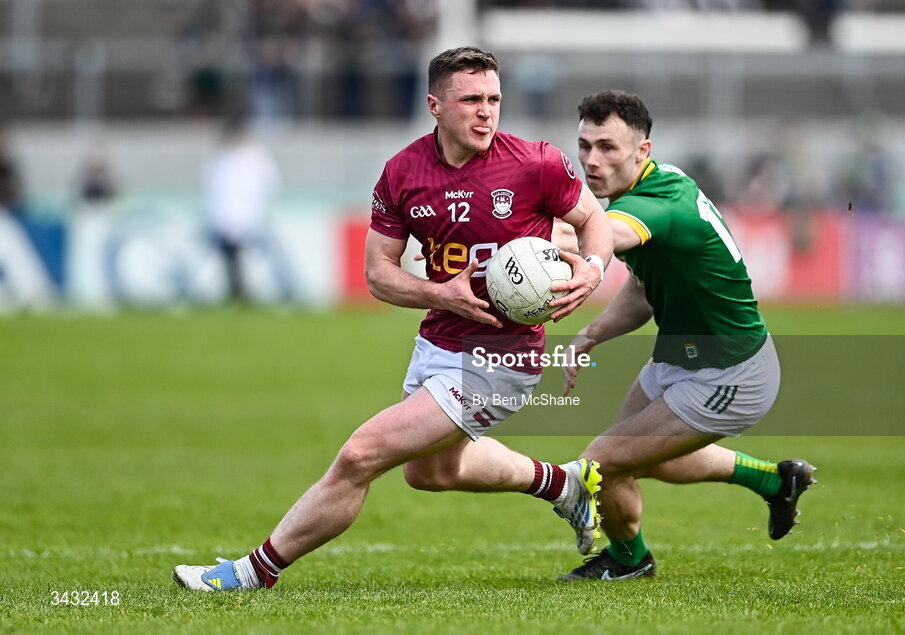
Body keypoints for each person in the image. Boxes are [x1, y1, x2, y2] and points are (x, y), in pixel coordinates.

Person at [173, 46, 613, 592]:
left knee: (361, 454)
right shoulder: (403, 172)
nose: (486, 112)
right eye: (471, 99)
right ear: (434, 104)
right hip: (437, 343)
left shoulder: (535, 163)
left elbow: (593, 220)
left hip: (503, 357)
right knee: (430, 472)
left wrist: (593, 269)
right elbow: (378, 272)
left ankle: (249, 573)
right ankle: (563, 484)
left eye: (494, 99)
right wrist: (439, 293)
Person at [556, 90, 815, 580]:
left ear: (642, 152)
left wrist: (525, 235)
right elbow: (642, 289)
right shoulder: (651, 187)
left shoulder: (656, 205)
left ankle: (631, 562)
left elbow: (604, 238)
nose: (592, 159)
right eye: (585, 145)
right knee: (633, 458)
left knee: (599, 464)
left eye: (608, 147)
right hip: (680, 359)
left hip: (731, 374)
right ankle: (774, 481)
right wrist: (593, 331)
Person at [202, 118, 281, 303]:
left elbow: (268, 184)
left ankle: (247, 293)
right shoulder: (220, 160)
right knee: (231, 259)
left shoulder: (255, 157)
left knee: (249, 258)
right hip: (226, 220)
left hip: (248, 218)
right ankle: (237, 292)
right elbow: (216, 192)